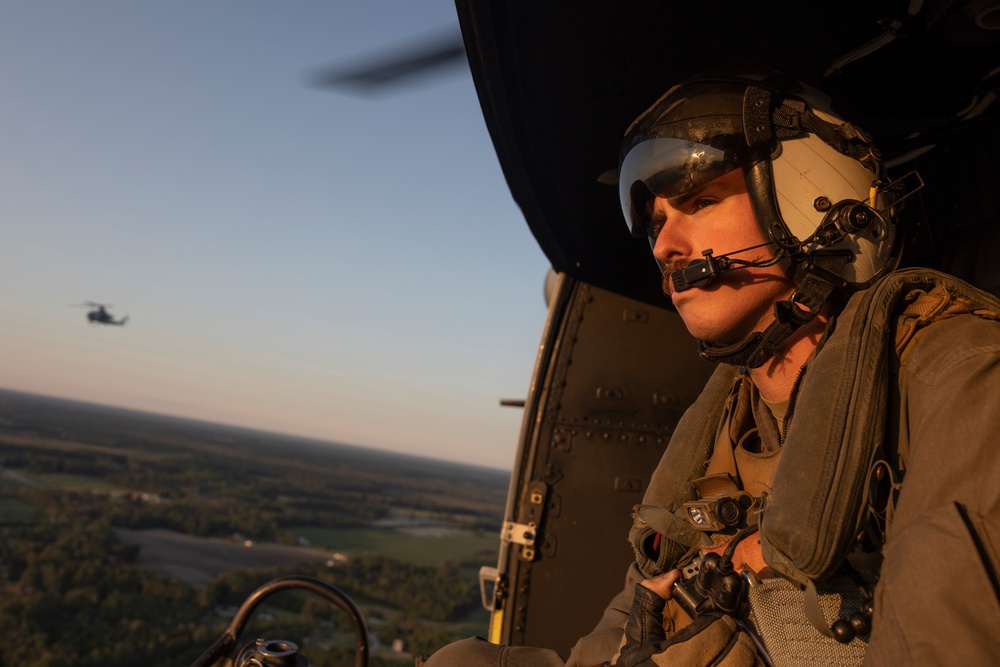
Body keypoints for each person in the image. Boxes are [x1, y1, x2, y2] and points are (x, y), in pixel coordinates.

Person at [421, 66, 1000, 666]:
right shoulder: (725, 425)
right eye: (656, 225)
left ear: (814, 200)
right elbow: (629, 625)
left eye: (699, 201)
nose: (666, 247)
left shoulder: (958, 377)